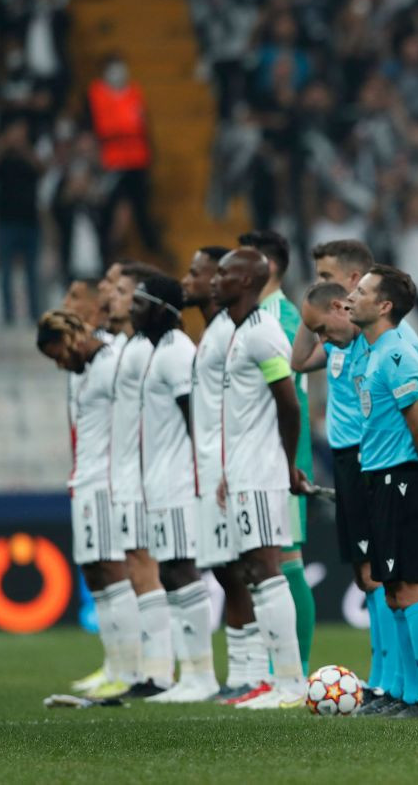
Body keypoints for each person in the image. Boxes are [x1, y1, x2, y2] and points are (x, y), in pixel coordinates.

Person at [292, 238, 418, 713]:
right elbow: (299, 362)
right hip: (367, 465)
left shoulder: (394, 347)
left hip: (391, 468)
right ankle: (393, 684)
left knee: (404, 578)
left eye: (329, 274)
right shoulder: (356, 344)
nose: (325, 283)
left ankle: (415, 690)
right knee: (379, 579)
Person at [347, 264, 418, 718]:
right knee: (392, 591)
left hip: (403, 479)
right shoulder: (375, 352)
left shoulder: (395, 356)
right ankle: (406, 694)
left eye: (362, 291)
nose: (352, 296)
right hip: (382, 480)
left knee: (410, 588)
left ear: (384, 306)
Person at [210, 248, 308, 709]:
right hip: (244, 471)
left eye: (225, 273)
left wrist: (286, 465)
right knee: (254, 571)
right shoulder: (237, 331)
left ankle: (289, 682)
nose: (215, 279)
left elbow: (288, 403)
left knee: (268, 571)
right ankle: (275, 681)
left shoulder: (264, 331)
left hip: (264, 471)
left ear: (248, 280)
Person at [36, 310, 140, 698]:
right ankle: (114, 664)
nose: (61, 363)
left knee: (114, 570)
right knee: (95, 574)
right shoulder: (87, 370)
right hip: (86, 481)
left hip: (108, 481)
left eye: (59, 353)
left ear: (73, 337)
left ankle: (130, 669)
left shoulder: (113, 361)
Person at [181, 245, 267, 701]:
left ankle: (255, 672)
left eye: (200, 273)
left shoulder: (235, 332)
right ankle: (241, 673)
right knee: (226, 570)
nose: (193, 281)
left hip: (233, 467)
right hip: (213, 468)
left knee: (243, 570)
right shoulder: (217, 332)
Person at [131, 275, 217, 703]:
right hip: (162, 480)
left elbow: (195, 417)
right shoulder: (160, 350)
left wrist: (201, 475)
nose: (131, 309)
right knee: (169, 571)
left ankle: (201, 675)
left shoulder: (178, 352)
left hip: (181, 479)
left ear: (163, 309)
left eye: (140, 302)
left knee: (181, 568)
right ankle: (191, 674)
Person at [237, 229, 316, 675]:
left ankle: (293, 669)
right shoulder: (256, 318)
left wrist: (292, 461)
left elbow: (292, 401)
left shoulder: (280, 319)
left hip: (281, 460)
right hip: (259, 461)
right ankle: (270, 668)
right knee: (263, 566)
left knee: (286, 563)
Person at [106, 262, 172, 698]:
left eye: (122, 289)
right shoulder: (127, 348)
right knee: (136, 566)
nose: (113, 296)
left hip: (147, 472)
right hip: (129, 470)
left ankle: (159, 672)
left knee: (146, 565)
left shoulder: (148, 350)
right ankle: (146, 670)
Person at [86, 52, 159, 253]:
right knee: (115, 209)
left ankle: (151, 248)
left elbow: (143, 126)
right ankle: (110, 250)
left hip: (138, 161)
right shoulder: (96, 93)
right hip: (112, 162)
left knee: (139, 210)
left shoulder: (133, 92)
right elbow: (95, 128)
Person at [0, 117, 45, 324]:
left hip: (30, 221)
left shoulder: (30, 154)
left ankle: (34, 314)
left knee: (32, 271)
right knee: (5, 272)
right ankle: (8, 316)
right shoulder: (1, 157)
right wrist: (4, 145)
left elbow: (41, 169)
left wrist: (24, 149)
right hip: (6, 221)